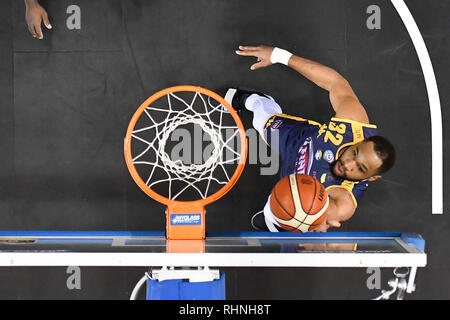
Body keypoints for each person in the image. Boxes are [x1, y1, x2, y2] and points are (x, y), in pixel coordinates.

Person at [225, 45, 395, 232]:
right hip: (300, 140)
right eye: (354, 153)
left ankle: (273, 219)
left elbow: (324, 215)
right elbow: (334, 82)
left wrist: (313, 222)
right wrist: (278, 55)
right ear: (360, 141)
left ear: (372, 177)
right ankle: (256, 100)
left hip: (298, 185)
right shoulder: (353, 123)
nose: (348, 164)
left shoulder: (344, 200)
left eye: (360, 168)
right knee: (262, 119)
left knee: (277, 214)